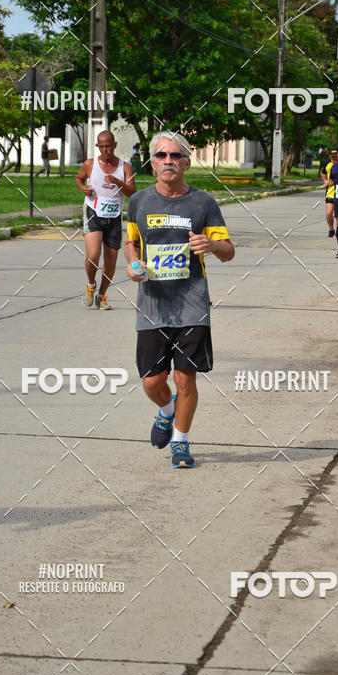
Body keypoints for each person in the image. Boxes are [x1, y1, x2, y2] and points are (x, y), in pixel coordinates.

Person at [124, 130, 235, 468]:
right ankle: (166, 410)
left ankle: (181, 443)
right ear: (152, 163)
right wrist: (132, 264)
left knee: (185, 378)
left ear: (186, 162)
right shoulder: (139, 202)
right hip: (152, 305)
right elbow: (132, 243)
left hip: (192, 304)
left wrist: (211, 245)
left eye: (175, 156)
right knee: (152, 381)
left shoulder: (203, 203)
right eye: (161, 155)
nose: (168, 161)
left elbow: (228, 251)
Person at [75, 130, 136, 309]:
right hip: (93, 211)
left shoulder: (124, 167)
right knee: (93, 255)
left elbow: (132, 192)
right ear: (97, 146)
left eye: (108, 146)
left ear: (114, 145)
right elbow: (79, 178)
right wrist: (83, 188)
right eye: (101, 147)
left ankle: (102, 295)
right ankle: (90, 285)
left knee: (110, 260)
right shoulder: (90, 164)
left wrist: (118, 182)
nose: (105, 150)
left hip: (114, 215)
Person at [320, 148, 338, 237]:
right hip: (330, 191)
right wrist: (325, 181)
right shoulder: (327, 163)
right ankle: (331, 229)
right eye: (332, 156)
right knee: (329, 212)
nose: (334, 158)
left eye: (335, 156)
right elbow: (323, 173)